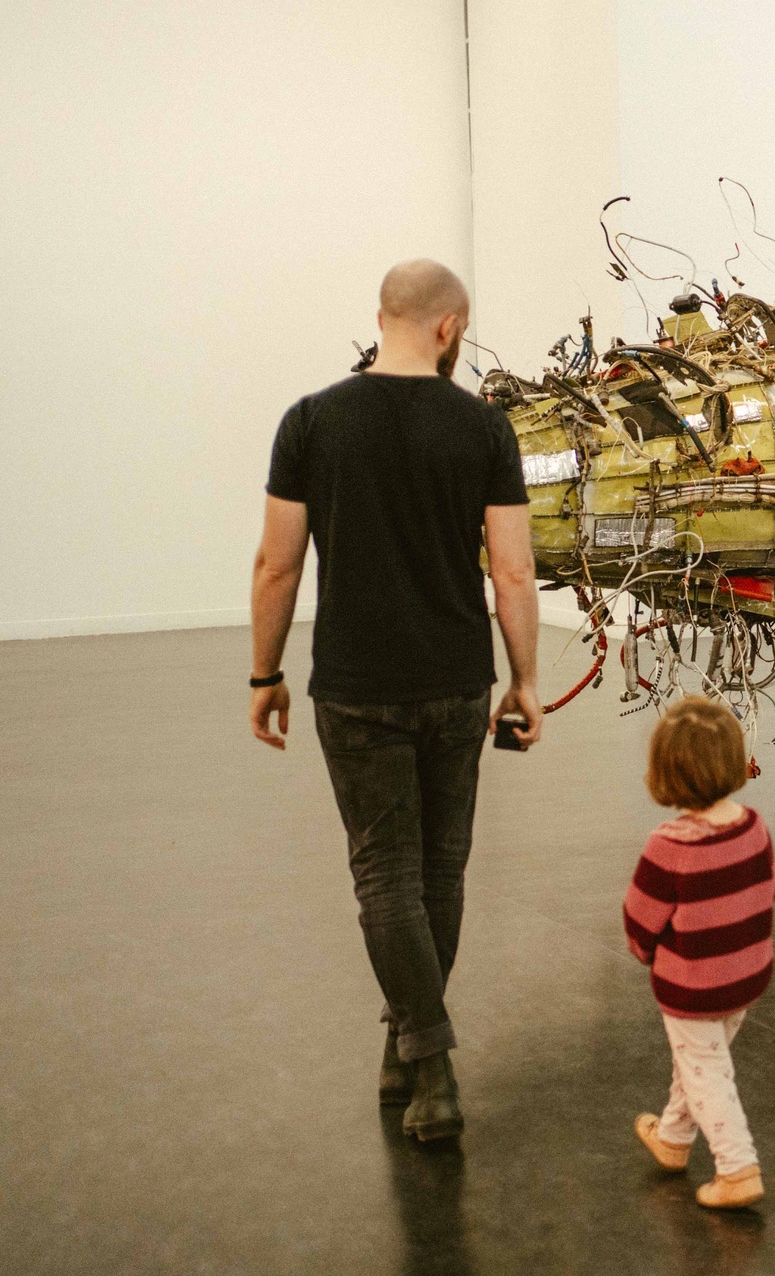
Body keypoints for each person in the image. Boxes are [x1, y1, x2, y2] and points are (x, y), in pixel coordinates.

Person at [247, 258, 542, 1142]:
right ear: (449, 328)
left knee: (385, 876)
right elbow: (513, 571)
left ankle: (422, 1057)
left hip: (355, 685)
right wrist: (525, 681)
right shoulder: (484, 428)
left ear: (383, 318)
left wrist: (265, 675)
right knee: (438, 873)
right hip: (455, 680)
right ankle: (421, 1054)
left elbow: (276, 566)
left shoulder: (310, 422)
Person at [623, 697, 775, 1211]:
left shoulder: (669, 845)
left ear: (665, 772)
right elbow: (768, 892)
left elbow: (640, 921)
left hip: (693, 985)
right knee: (698, 1059)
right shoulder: (754, 825)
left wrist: (646, 954)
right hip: (747, 976)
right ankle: (672, 1138)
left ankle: (737, 1168)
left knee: (705, 1069)